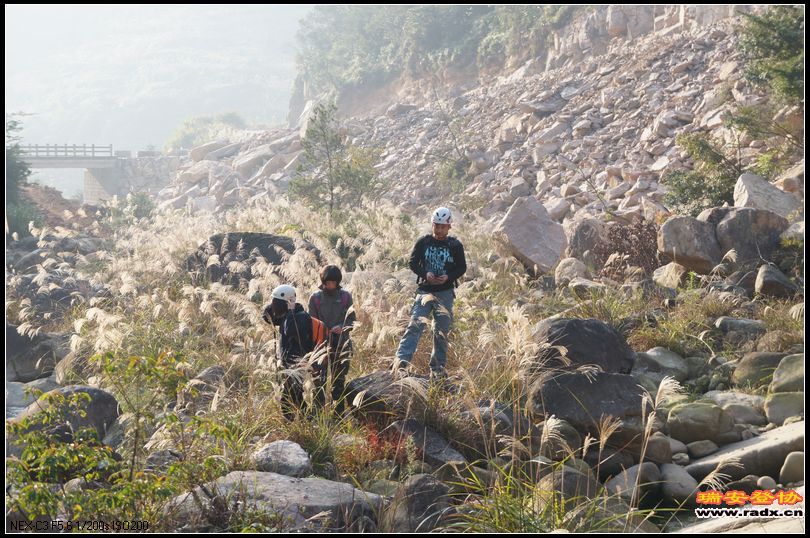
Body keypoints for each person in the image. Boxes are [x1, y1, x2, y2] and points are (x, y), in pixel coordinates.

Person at [394, 206, 466, 380]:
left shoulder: (455, 245)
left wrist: (448, 277)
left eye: (443, 226)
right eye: (436, 226)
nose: (439, 230)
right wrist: (425, 274)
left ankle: (437, 368)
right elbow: (412, 263)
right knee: (415, 326)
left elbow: (462, 267)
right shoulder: (423, 242)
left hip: (445, 293)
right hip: (424, 291)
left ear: (449, 227)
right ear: (432, 225)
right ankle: (401, 363)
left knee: (441, 332)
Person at [262, 284, 316, 420]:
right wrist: (276, 298)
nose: (275, 307)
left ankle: (298, 420)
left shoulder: (301, 316)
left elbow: (290, 330)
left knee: (292, 393)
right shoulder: (285, 315)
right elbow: (267, 316)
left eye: (276, 304)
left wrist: (291, 309)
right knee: (290, 393)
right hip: (287, 361)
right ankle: (299, 419)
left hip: (298, 361)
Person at [308, 265, 355, 414]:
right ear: (323, 281)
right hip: (320, 345)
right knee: (319, 382)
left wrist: (342, 327)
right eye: (328, 282)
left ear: (338, 282)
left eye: (334, 282)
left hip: (341, 343)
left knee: (339, 381)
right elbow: (311, 322)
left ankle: (338, 414)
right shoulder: (315, 298)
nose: (331, 285)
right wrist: (323, 330)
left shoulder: (346, 297)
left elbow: (352, 320)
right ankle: (318, 415)